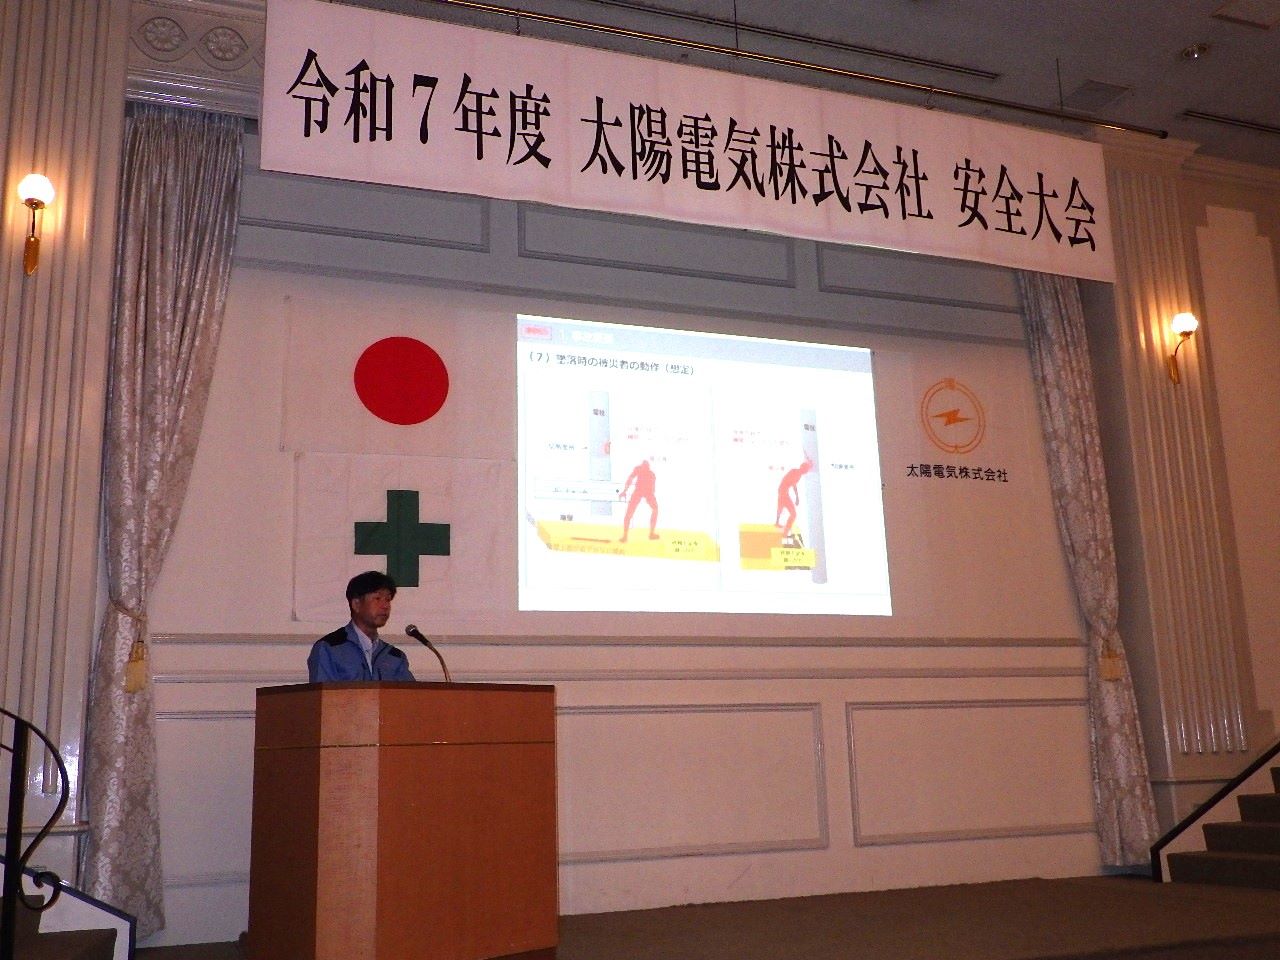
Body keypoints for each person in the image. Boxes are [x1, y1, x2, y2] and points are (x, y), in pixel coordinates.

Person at [307, 570, 415, 682]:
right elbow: (323, 691)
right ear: (356, 604)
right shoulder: (329, 648)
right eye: (377, 598)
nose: (385, 606)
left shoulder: (394, 656)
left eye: (387, 600)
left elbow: (409, 692)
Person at [619, 458, 659, 543]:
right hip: (640, 491)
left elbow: (652, 489)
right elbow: (630, 479)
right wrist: (624, 491)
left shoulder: (651, 474)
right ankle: (625, 536)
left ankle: (651, 533)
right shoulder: (639, 469)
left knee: (655, 509)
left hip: (647, 492)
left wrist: (625, 491)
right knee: (629, 513)